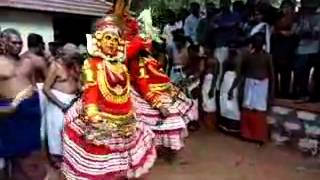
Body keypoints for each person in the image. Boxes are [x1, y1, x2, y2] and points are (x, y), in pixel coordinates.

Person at [61, 1, 156, 178]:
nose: (112, 43)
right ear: (98, 41)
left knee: (121, 165)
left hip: (125, 121)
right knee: (101, 168)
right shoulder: (93, 64)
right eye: (107, 38)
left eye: (115, 39)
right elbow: (91, 94)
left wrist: (132, 113)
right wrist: (94, 117)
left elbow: (126, 92)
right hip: (102, 122)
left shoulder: (120, 65)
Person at [127, 9, 198, 163]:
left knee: (172, 120)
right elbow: (143, 84)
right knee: (162, 120)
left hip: (154, 92)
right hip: (143, 94)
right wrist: (159, 105)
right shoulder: (138, 61)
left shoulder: (151, 57)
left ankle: (165, 153)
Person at [0, 28, 47, 180]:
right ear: (3, 42)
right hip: (12, 116)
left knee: (27, 161)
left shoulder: (27, 62)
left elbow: (32, 85)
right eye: (14, 42)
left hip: (31, 115)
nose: (18, 46)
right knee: (26, 164)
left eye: (20, 43)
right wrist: (10, 107)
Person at [229, 33, 274, 144]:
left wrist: (271, 93)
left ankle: (259, 136)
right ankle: (247, 134)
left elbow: (272, 75)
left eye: (259, 41)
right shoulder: (248, 56)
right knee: (247, 109)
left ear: (263, 44)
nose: (257, 43)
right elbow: (241, 73)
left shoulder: (268, 56)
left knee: (259, 111)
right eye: (255, 41)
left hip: (262, 86)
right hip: (249, 85)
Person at [43, 43, 82, 169]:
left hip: (73, 100)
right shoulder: (55, 66)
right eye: (72, 56)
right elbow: (46, 89)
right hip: (58, 102)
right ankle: (56, 157)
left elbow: (79, 82)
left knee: (72, 129)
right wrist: (61, 105)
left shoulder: (73, 65)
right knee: (56, 130)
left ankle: (71, 155)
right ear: (64, 55)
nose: (74, 59)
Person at [271, 0, 298, 98]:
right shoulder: (277, 18)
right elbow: (272, 31)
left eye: (288, 7)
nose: (286, 9)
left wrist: (280, 32)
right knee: (275, 72)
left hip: (289, 48)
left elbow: (292, 32)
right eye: (284, 7)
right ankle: (275, 93)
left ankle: (285, 93)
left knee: (286, 74)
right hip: (277, 48)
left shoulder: (295, 19)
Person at [293, 5, 320, 100]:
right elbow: (296, 31)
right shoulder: (302, 17)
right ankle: (302, 93)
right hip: (302, 49)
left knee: (315, 74)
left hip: (315, 49)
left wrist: (307, 32)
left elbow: (315, 33)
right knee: (301, 72)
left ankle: (314, 94)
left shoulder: (318, 17)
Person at [219, 43, 242, 134]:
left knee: (233, 105)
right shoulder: (226, 60)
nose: (231, 49)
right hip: (225, 81)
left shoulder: (238, 60)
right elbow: (222, 73)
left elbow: (238, 76)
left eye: (233, 47)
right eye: (230, 47)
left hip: (233, 82)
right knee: (224, 103)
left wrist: (232, 89)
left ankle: (233, 127)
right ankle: (225, 126)